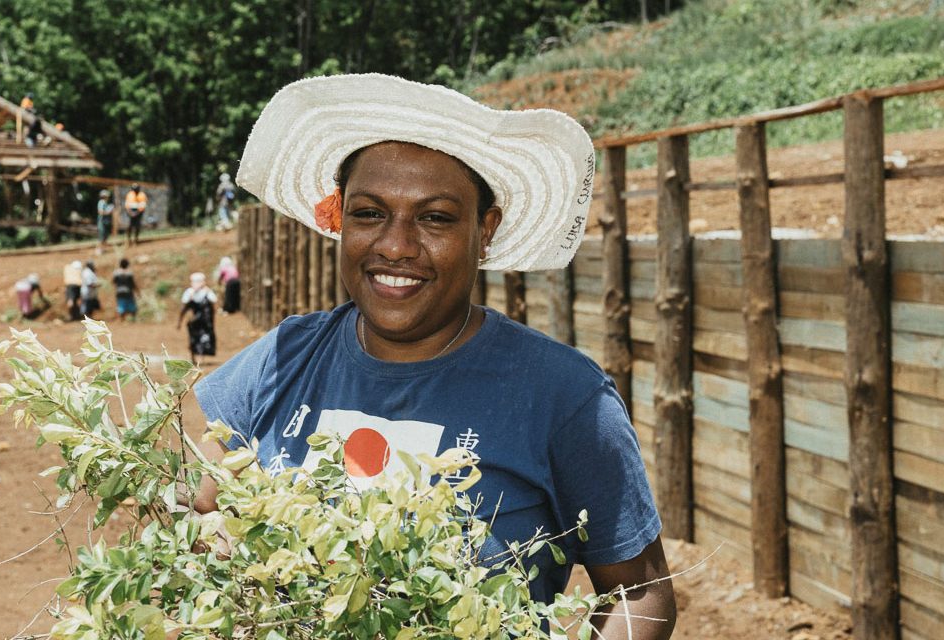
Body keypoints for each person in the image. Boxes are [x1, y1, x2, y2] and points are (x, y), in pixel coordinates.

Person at [190, 75, 675, 639]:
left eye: (436, 217)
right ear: (338, 219)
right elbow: (200, 503)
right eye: (369, 213)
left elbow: (639, 591)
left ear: (484, 229)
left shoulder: (561, 395)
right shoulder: (283, 356)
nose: (395, 245)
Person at [177, 272, 217, 362]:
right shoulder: (203, 292)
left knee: (196, 338)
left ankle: (196, 358)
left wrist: (179, 322)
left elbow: (183, 308)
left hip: (199, 322)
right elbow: (214, 304)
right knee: (200, 338)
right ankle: (198, 358)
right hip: (203, 322)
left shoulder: (194, 292)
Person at [96, 189, 114, 255]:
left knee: (105, 237)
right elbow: (100, 212)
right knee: (101, 237)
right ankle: (99, 250)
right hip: (102, 222)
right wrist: (108, 212)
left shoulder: (105, 203)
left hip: (105, 222)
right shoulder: (101, 202)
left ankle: (103, 250)